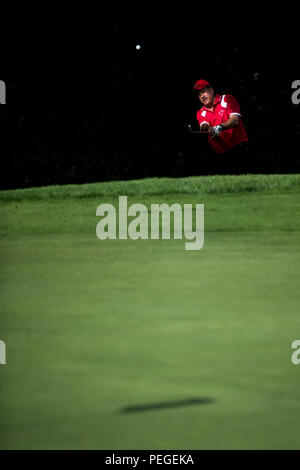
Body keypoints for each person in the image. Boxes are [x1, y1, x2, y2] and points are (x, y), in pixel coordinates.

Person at [194, 79, 250, 174]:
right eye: (199, 94)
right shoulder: (200, 112)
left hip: (238, 148)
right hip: (219, 153)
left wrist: (220, 127)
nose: (202, 96)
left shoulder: (227, 99)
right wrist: (209, 129)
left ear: (211, 90)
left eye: (203, 92)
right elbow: (204, 124)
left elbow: (235, 120)